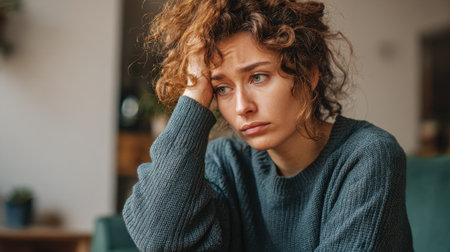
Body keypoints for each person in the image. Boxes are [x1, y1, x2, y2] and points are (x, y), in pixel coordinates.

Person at [123, 0, 413, 251]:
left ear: (308, 73)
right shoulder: (226, 163)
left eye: (258, 77)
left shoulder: (367, 156)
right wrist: (196, 90)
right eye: (222, 88)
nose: (241, 107)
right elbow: (159, 238)